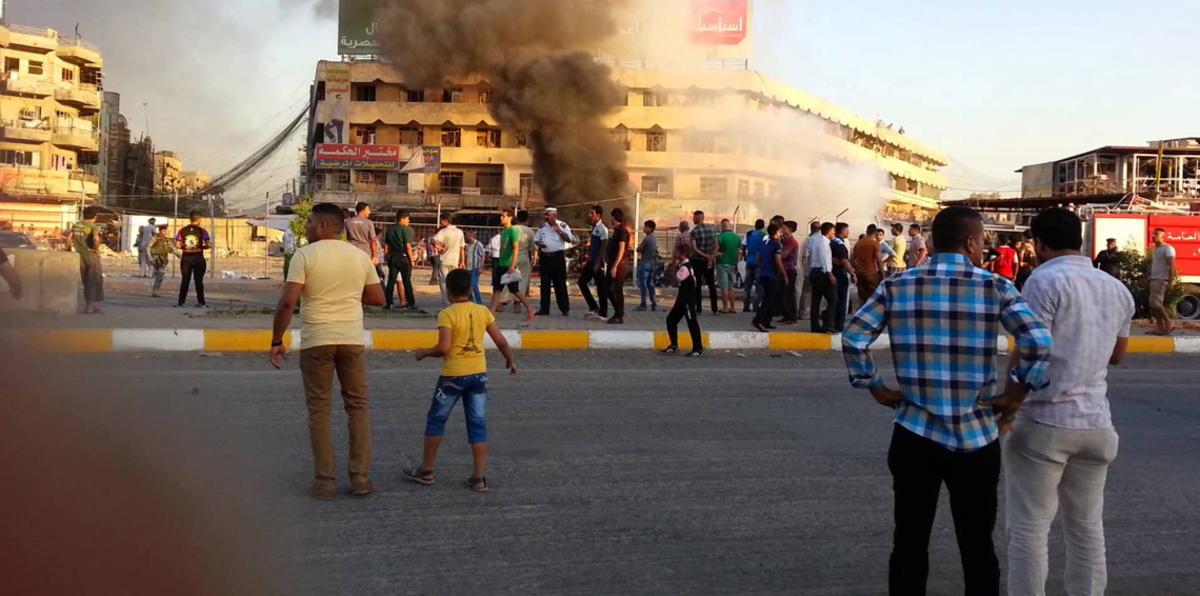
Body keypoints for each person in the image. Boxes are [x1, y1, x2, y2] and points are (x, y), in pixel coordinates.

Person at [841, 206, 1053, 596]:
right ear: (971, 241)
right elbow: (1038, 342)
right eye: (982, 242)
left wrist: (875, 386)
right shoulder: (997, 287)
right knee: (977, 546)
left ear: (936, 241)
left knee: (908, 543)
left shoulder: (897, 286)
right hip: (975, 437)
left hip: (914, 433)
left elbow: (854, 337)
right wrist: (1015, 393)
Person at [995, 208, 1133, 596]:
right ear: (1081, 240)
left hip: (1045, 423)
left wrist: (1010, 404)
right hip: (1096, 425)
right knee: (1087, 530)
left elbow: (1027, 348)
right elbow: (1117, 355)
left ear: (1038, 243)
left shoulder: (1043, 280)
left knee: (1028, 531)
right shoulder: (1115, 288)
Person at [268, 203, 385, 501]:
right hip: (351, 339)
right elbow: (378, 298)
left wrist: (276, 340)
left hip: (317, 340)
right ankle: (359, 477)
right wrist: (347, 292)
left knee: (320, 410)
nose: (305, 226)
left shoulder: (305, 255)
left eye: (308, 222)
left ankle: (325, 482)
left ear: (321, 226)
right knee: (357, 406)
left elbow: (287, 303)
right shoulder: (359, 256)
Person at [404, 269, 517, 493]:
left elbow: (444, 347)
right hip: (478, 375)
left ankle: (426, 471)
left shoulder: (447, 314)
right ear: (469, 289)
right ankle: (479, 478)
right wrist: (510, 361)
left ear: (448, 291)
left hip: (452, 377)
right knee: (477, 423)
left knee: (436, 420)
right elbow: (500, 340)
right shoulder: (483, 310)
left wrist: (424, 352)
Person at [490, 208, 536, 322]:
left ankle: (530, 309)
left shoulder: (513, 231)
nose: (501, 218)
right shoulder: (504, 231)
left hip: (509, 264)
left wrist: (512, 265)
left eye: (504, 216)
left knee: (515, 290)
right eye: (501, 216)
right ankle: (491, 312)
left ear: (511, 218)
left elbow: (516, 248)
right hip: (502, 263)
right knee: (497, 289)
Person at [661, 244, 704, 357]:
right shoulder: (684, 265)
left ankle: (698, 348)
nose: (675, 254)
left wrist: (673, 267)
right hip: (682, 299)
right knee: (671, 320)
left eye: (677, 252)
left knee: (692, 323)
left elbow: (676, 280)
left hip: (687, 300)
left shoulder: (684, 267)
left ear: (682, 254)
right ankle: (674, 345)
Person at [533, 207, 577, 316]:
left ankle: (564, 308)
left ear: (554, 215)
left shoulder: (562, 225)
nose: (546, 217)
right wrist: (540, 244)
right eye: (545, 215)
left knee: (560, 283)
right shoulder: (543, 227)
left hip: (557, 257)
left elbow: (569, 239)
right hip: (545, 257)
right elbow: (536, 239)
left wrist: (558, 231)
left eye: (548, 215)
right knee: (545, 284)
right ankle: (544, 308)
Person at [71, 207, 104, 314]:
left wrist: (67, 248)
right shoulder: (93, 226)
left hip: (79, 255)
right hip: (91, 255)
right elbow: (96, 239)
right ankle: (90, 307)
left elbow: (68, 239)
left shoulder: (76, 225)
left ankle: (89, 305)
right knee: (93, 280)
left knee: (85, 280)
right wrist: (96, 249)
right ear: (95, 217)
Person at [174, 211, 211, 308]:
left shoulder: (182, 230)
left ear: (190, 219)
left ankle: (181, 302)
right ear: (198, 220)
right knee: (198, 281)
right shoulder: (202, 231)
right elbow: (209, 244)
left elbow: (177, 245)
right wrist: (201, 247)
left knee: (185, 280)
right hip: (198, 258)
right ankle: (201, 302)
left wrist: (186, 247)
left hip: (186, 258)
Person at [578, 205, 609, 319]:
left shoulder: (602, 228)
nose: (590, 215)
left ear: (598, 215)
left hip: (597, 262)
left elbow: (604, 245)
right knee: (582, 282)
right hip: (592, 260)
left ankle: (603, 312)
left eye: (592, 213)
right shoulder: (594, 227)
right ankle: (593, 306)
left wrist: (598, 262)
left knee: (601, 288)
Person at [345, 202, 385, 293]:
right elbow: (373, 240)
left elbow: (345, 238)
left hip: (352, 252)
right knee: (365, 277)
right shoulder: (369, 223)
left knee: (352, 276)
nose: (369, 212)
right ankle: (363, 298)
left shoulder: (348, 222)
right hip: (365, 253)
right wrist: (375, 256)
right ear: (362, 211)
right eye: (368, 210)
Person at [752, 224, 785, 333]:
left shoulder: (764, 243)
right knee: (769, 299)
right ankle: (758, 320)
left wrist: (761, 267)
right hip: (771, 274)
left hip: (762, 273)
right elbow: (778, 261)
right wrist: (784, 274)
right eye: (779, 232)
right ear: (776, 233)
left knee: (769, 297)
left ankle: (767, 321)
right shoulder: (777, 245)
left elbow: (758, 258)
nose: (780, 234)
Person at [383, 210, 417, 310]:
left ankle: (389, 303)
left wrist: (387, 256)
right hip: (404, 257)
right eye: (407, 219)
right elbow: (408, 246)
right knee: (406, 281)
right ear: (401, 219)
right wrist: (412, 260)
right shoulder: (405, 230)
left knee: (391, 281)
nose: (408, 221)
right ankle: (410, 303)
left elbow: (387, 246)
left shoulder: (390, 230)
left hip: (393, 257)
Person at [808, 223, 837, 333]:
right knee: (833, 299)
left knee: (816, 301)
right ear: (828, 231)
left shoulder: (816, 240)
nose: (834, 232)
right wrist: (829, 274)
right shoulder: (824, 242)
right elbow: (825, 259)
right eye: (833, 230)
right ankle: (828, 324)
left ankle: (814, 326)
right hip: (822, 272)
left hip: (814, 271)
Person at [604, 208, 631, 325]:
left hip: (619, 264)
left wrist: (615, 266)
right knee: (606, 287)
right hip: (613, 263)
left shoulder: (622, 231)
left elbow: (621, 250)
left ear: (614, 218)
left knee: (617, 289)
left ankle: (619, 315)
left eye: (611, 217)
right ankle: (619, 310)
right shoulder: (616, 230)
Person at [689, 211, 719, 315]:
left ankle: (699, 308)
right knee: (711, 285)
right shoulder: (711, 230)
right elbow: (716, 246)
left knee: (697, 285)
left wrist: (704, 255)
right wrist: (711, 257)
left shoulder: (694, 232)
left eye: (694, 217)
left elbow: (694, 248)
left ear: (698, 218)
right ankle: (715, 309)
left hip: (697, 261)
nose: (693, 219)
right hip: (708, 262)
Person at [1149, 227, 1177, 335]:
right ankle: (1160, 327)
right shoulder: (1156, 249)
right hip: (1154, 278)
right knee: (1154, 304)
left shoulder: (1168, 249)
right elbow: (1156, 265)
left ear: (1162, 237)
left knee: (1155, 303)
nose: (1153, 236)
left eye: (1156, 234)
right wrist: (1148, 276)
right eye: (1153, 234)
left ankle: (1169, 322)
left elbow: (1171, 266)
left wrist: (1170, 282)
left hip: (1161, 279)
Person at [433, 213, 466, 307]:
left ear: (446, 221)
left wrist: (437, 246)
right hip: (455, 261)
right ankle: (455, 303)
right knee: (454, 282)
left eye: (441, 221)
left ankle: (447, 304)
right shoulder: (460, 232)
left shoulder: (443, 232)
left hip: (444, 260)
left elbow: (433, 240)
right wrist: (462, 261)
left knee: (444, 283)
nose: (440, 223)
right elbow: (462, 248)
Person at [852, 224, 886, 306]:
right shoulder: (875, 244)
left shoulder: (858, 243)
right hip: (871, 274)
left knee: (863, 297)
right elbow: (878, 260)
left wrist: (858, 269)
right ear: (875, 233)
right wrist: (883, 275)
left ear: (866, 232)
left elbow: (852, 259)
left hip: (860, 274)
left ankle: (861, 316)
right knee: (875, 297)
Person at [777, 221, 801, 324]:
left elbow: (784, 255)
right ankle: (786, 315)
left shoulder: (791, 242)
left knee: (789, 295)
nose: (782, 230)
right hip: (785, 270)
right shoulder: (785, 241)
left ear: (790, 229)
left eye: (784, 228)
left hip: (789, 270)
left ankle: (792, 316)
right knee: (784, 294)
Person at [715, 219, 742, 315]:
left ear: (722, 226)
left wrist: (716, 255)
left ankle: (725, 307)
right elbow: (739, 252)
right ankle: (733, 307)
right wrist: (736, 262)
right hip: (732, 263)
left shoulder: (720, 237)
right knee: (731, 286)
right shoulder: (737, 238)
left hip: (722, 263)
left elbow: (715, 250)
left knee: (724, 286)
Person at [831, 223, 853, 332]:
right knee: (841, 301)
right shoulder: (839, 244)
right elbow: (843, 260)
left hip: (832, 273)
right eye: (847, 230)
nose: (848, 232)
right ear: (842, 231)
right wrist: (852, 273)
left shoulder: (831, 242)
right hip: (839, 274)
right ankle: (839, 325)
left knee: (833, 300)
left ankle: (831, 323)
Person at [799, 221, 822, 320]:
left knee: (806, 292)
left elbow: (805, 255)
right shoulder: (824, 240)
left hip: (810, 269)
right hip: (821, 270)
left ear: (811, 229)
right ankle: (816, 313)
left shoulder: (809, 240)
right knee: (819, 293)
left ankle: (803, 313)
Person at [742, 219, 766, 312]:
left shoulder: (749, 234)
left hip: (749, 260)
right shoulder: (764, 236)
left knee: (747, 286)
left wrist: (744, 256)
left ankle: (746, 306)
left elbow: (743, 245)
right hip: (759, 262)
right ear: (763, 227)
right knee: (759, 286)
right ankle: (756, 306)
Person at [514, 211, 536, 308]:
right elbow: (533, 247)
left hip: (511, 258)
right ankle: (518, 303)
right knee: (522, 281)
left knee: (508, 280)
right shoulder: (529, 231)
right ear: (526, 219)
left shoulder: (511, 229)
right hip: (524, 256)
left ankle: (503, 302)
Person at [636, 220, 659, 312]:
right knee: (650, 284)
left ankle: (643, 304)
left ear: (650, 228)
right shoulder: (653, 239)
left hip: (645, 263)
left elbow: (638, 249)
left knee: (643, 285)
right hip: (652, 263)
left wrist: (641, 249)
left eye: (646, 227)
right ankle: (654, 303)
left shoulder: (647, 239)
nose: (644, 228)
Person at [148, 225, 173, 298]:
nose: (164, 232)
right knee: (160, 274)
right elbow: (148, 248)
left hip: (163, 259)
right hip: (156, 258)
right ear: (160, 231)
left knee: (159, 275)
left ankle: (156, 290)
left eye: (165, 231)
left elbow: (172, 248)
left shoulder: (166, 240)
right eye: (163, 231)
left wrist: (180, 256)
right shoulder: (154, 239)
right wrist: (150, 258)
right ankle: (155, 290)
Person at [464, 231, 486, 304]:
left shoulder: (478, 244)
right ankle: (470, 301)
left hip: (475, 267)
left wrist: (481, 267)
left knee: (474, 286)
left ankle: (479, 302)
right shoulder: (468, 245)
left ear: (471, 236)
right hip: (468, 267)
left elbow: (482, 256)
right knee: (469, 286)